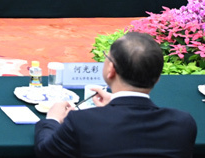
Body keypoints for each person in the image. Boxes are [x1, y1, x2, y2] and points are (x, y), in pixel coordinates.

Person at [34, 32, 196, 158]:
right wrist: (114, 106)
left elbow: (46, 151)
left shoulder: (82, 122)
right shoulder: (182, 124)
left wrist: (52, 119)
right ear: (158, 77)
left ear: (111, 69)